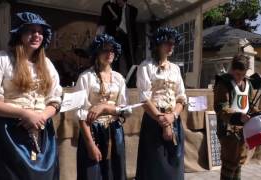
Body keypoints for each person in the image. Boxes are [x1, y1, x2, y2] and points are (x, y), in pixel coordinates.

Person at [0, 12, 62, 180]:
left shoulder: (47, 64)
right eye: (31, 31)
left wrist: (41, 116)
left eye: (40, 32)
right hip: (9, 133)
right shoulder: (2, 59)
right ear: (20, 33)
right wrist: (25, 113)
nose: (36, 35)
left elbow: (55, 100)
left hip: (42, 132)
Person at [76, 33, 129, 180]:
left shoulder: (119, 78)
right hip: (92, 131)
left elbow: (126, 110)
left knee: (115, 172)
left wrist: (105, 108)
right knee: (92, 173)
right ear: (96, 53)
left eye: (112, 50)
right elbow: (81, 114)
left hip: (114, 131)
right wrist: (91, 145)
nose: (109, 53)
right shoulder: (86, 77)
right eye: (105, 50)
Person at [135, 27, 186, 180]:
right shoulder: (146, 66)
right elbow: (144, 98)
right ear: (158, 44)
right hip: (154, 120)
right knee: (155, 165)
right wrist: (162, 120)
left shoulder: (175, 69)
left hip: (174, 119)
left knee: (174, 164)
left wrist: (173, 116)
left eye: (173, 43)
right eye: (167, 43)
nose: (171, 46)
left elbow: (181, 97)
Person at [214, 55, 258, 180]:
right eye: (238, 74)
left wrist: (258, 113)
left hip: (243, 129)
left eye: (243, 74)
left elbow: (251, 104)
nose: (240, 78)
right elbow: (221, 107)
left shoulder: (247, 83)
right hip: (228, 129)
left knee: (238, 162)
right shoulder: (224, 83)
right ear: (232, 70)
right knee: (229, 162)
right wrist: (237, 117)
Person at [97, 0, 138, 78]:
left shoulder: (132, 10)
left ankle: (132, 80)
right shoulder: (112, 7)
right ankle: (114, 77)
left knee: (130, 59)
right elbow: (105, 19)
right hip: (116, 35)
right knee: (114, 58)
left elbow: (133, 19)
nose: (118, 2)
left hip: (128, 37)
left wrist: (126, 7)